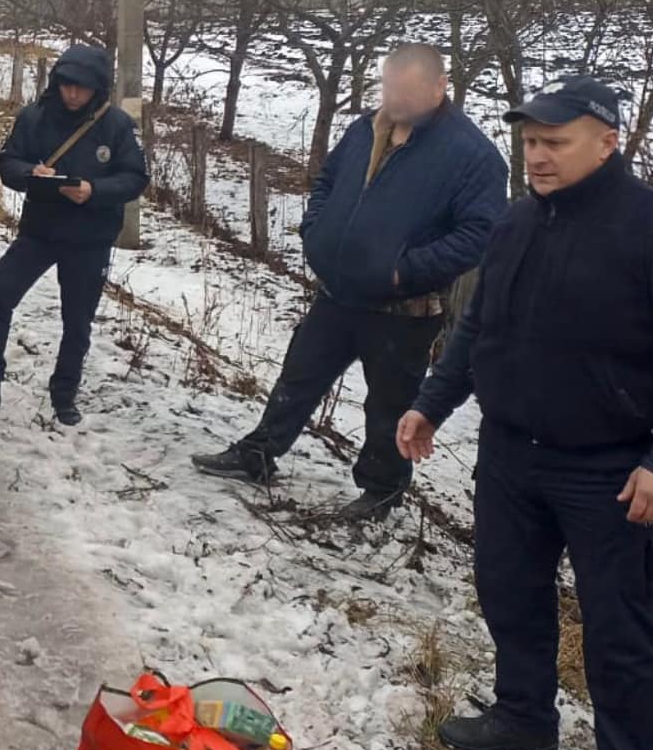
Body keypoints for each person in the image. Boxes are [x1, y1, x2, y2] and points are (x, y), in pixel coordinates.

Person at [396, 76, 653, 750]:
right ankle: (524, 713)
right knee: (508, 591)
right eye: (531, 142)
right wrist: (432, 404)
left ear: (607, 141)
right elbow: (479, 327)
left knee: (621, 633)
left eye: (556, 142)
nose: (538, 156)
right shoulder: (517, 223)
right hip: (513, 456)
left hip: (613, 471)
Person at [194, 43, 508, 519]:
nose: (395, 99)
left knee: (388, 405)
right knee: (298, 377)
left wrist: (406, 270)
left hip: (403, 309)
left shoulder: (472, 155)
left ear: (440, 87)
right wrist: (315, 229)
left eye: (408, 90)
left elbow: (479, 235)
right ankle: (258, 454)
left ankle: (381, 490)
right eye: (390, 88)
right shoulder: (366, 128)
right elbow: (326, 182)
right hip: (339, 292)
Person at [0, 43, 148, 425]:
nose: (73, 94)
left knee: (77, 319)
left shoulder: (116, 125)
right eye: (67, 85)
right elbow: (9, 162)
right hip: (41, 230)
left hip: (90, 237)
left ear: (96, 89)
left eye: (82, 88)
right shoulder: (35, 116)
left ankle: (64, 395)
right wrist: (29, 175)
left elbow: (135, 177)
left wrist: (92, 191)